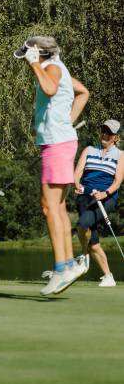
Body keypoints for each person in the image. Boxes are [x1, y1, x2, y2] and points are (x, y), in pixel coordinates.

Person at [13, 36, 89, 296]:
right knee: (56, 206)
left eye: (29, 55)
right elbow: (83, 92)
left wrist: (35, 66)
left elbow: (50, 89)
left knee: (49, 207)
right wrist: (68, 120)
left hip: (57, 144)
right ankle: (67, 264)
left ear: (39, 54)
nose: (26, 60)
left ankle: (61, 268)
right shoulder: (58, 67)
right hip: (59, 141)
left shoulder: (52, 68)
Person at [74, 119, 123, 287]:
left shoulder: (120, 155)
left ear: (116, 137)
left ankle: (83, 256)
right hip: (85, 196)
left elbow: (117, 182)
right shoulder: (89, 150)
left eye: (108, 132)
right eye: (103, 130)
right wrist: (77, 184)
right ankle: (109, 276)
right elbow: (78, 172)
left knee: (83, 224)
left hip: (106, 199)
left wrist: (105, 193)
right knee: (93, 240)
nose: (104, 134)